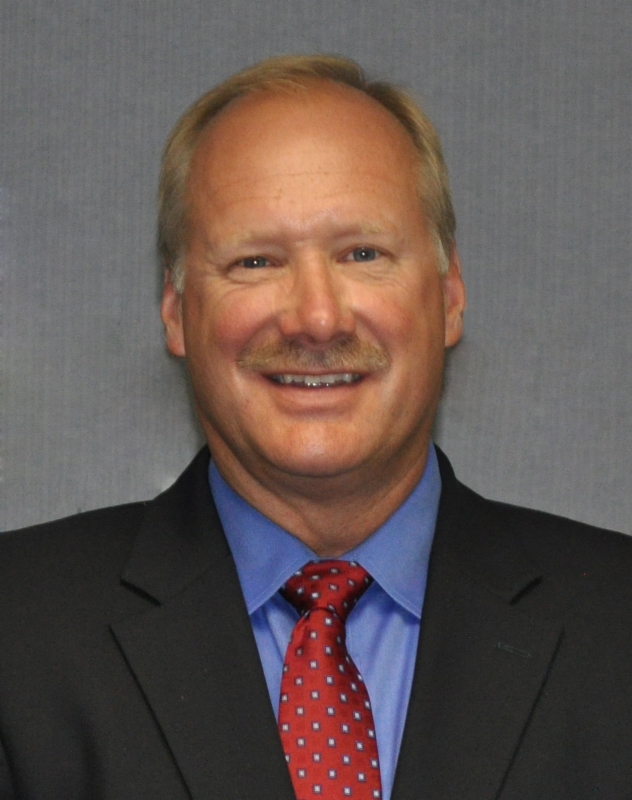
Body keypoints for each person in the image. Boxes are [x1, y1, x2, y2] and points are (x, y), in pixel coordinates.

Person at [0, 54, 630, 800]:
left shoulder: (615, 628)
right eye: (256, 261)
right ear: (175, 310)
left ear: (450, 294)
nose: (317, 318)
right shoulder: (17, 631)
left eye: (362, 254)